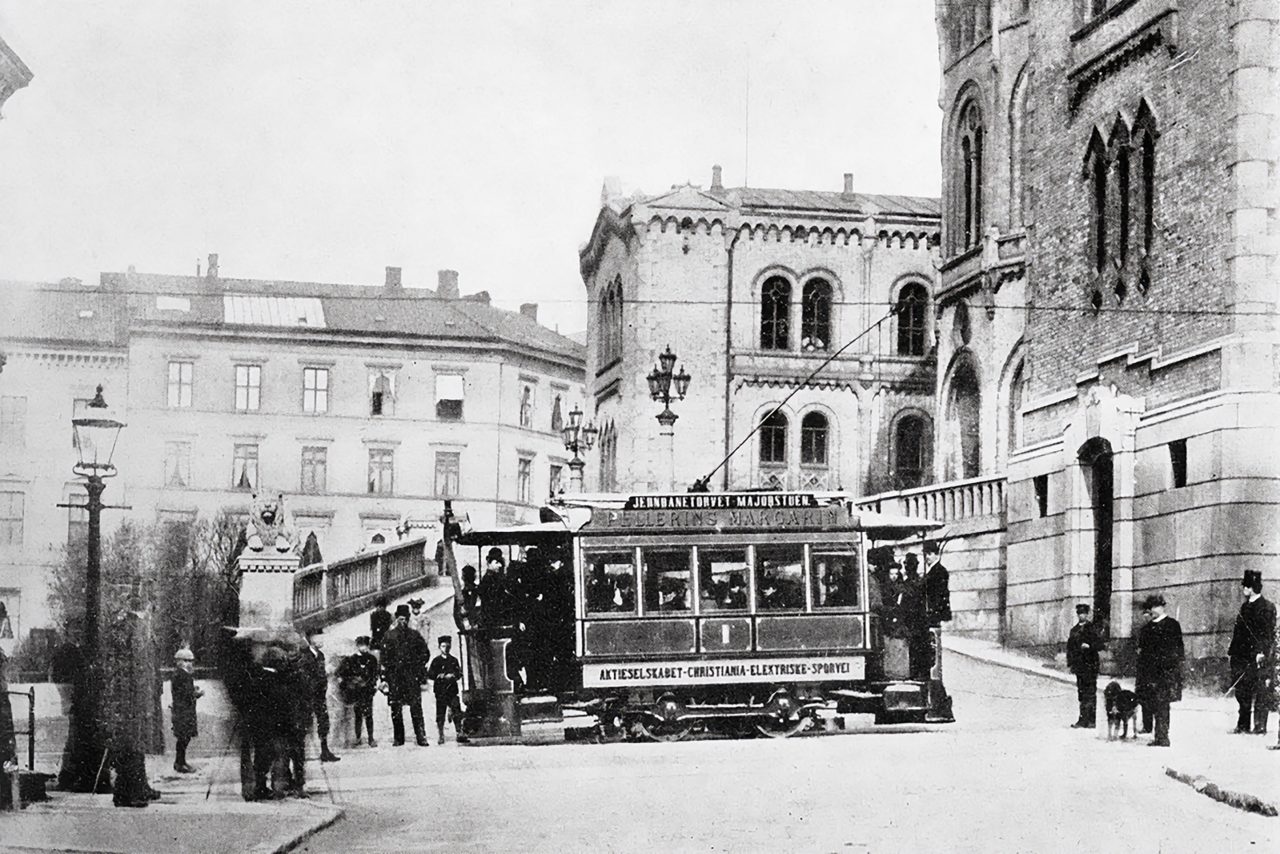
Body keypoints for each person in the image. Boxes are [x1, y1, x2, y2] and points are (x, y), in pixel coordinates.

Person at [1228, 569, 1275, 735]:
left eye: (1245, 587)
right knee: (1242, 691)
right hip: (1242, 656)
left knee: (1261, 690)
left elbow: (1267, 633)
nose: (1243, 590)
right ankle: (1243, 724)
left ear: (1251, 588)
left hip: (1257, 656)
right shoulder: (1245, 606)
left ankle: (1260, 725)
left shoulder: (1267, 607)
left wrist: (1261, 652)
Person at [1135, 593, 1183, 747]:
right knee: (1152, 703)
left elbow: (1178, 650)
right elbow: (1141, 652)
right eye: (1151, 608)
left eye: (1156, 607)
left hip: (1165, 673)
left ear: (1162, 607)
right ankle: (1156, 733)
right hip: (1149, 674)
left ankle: (1162, 737)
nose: (1153, 611)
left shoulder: (1172, 625)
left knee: (1162, 704)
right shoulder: (1146, 629)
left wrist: (1170, 666)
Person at [381, 604, 431, 746]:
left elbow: (425, 653)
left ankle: (421, 736)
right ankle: (398, 738)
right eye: (400, 619)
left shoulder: (414, 635)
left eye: (405, 619)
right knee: (396, 707)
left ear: (409, 619)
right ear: (396, 619)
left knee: (416, 706)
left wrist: (417, 668)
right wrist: (385, 677)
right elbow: (384, 658)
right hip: (395, 677)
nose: (403, 622)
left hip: (411, 677)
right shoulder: (389, 636)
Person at [1066, 604, 1104, 728]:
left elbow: (1100, 645)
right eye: (1079, 613)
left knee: (1091, 692)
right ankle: (1082, 719)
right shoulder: (1074, 630)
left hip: (1090, 665)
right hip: (1079, 666)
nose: (1081, 615)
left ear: (1087, 614)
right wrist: (1071, 663)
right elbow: (1070, 648)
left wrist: (1090, 646)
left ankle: (1092, 720)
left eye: (1083, 613)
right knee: (1081, 693)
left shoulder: (1092, 628)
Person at [338, 636, 380, 747]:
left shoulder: (372, 659)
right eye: (362, 646)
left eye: (366, 646)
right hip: (356, 691)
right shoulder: (352, 659)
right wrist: (354, 680)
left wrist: (369, 683)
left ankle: (371, 738)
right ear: (357, 646)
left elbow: (375, 674)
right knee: (358, 715)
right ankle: (358, 737)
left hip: (367, 690)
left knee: (369, 714)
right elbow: (345, 674)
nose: (364, 648)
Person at [426, 636, 469, 745]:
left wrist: (453, 675)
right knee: (440, 713)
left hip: (452, 690)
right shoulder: (436, 661)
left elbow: (459, 674)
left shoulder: (453, 660)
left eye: (447, 646)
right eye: (443, 646)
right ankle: (441, 735)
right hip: (440, 691)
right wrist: (438, 676)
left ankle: (459, 732)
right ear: (439, 647)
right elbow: (430, 674)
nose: (446, 648)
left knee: (456, 710)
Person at [171, 647, 203, 773]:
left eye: (191, 661)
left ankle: (181, 761)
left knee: (184, 737)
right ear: (181, 661)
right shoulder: (183, 675)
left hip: (182, 710)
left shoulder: (180, 674)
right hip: (184, 711)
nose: (190, 664)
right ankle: (180, 762)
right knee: (184, 737)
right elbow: (187, 693)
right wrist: (197, 693)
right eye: (188, 661)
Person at [923, 541, 953, 627]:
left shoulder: (940, 571)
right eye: (925, 554)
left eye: (929, 554)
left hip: (936, 610)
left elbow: (939, 593)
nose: (927, 557)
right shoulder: (932, 571)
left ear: (936, 554)